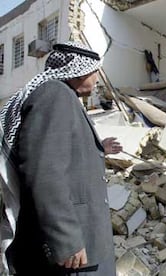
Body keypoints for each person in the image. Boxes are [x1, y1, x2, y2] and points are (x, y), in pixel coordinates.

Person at [0, 41, 122, 275]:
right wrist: (66, 240)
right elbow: (45, 172)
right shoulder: (55, 95)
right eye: (95, 70)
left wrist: (98, 149)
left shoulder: (63, 96)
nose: (97, 78)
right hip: (74, 252)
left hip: (85, 243)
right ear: (79, 70)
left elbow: (60, 153)